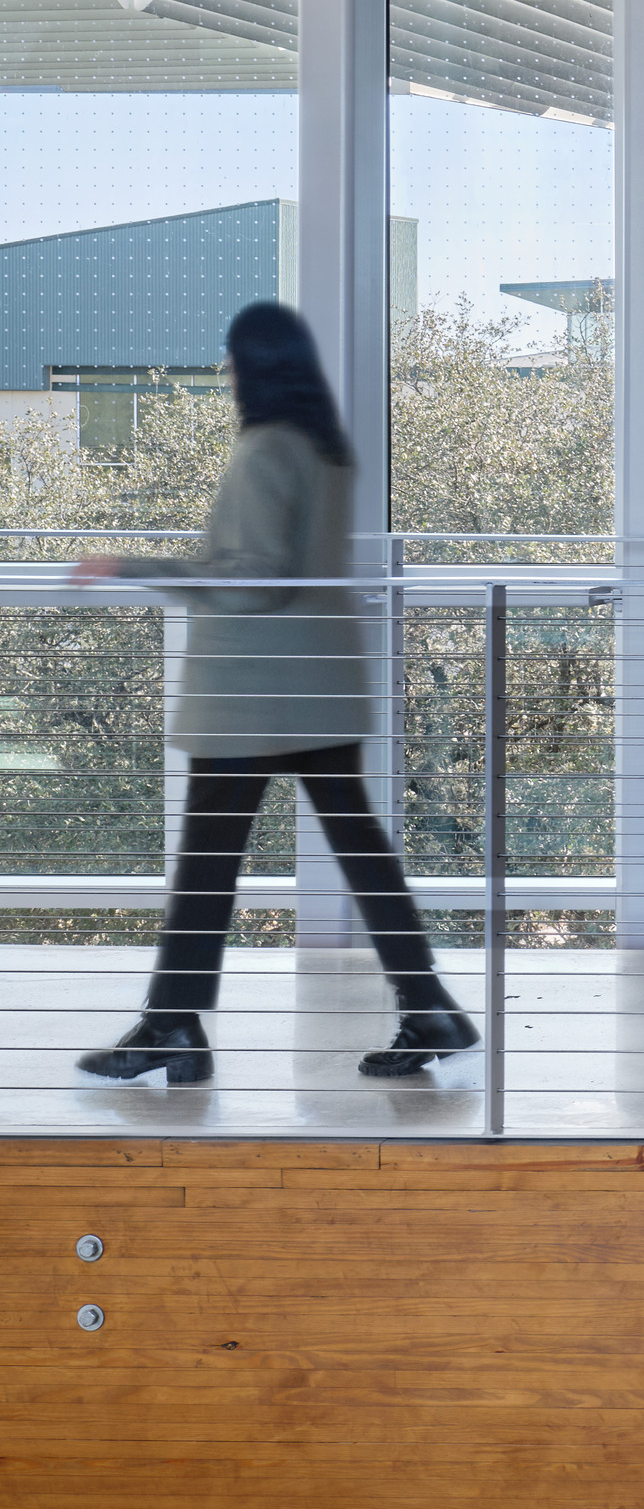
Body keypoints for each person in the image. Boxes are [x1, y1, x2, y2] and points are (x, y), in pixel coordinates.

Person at [68, 301, 478, 1087]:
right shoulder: (330, 452)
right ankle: (429, 1007)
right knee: (363, 854)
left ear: (254, 365)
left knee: (207, 864)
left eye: (229, 359)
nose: (224, 373)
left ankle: (173, 1023)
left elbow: (251, 581)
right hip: (320, 687)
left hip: (250, 695)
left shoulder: (265, 449)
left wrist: (133, 567)